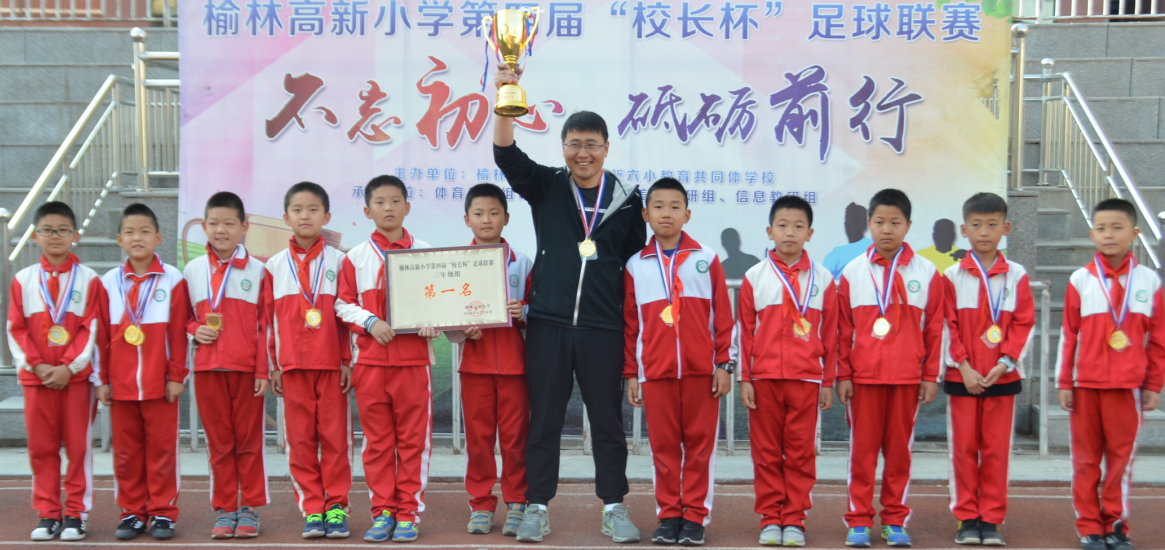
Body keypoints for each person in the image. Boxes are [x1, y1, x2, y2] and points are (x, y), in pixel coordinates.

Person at [493, 65, 646, 544]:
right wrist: (505, 96)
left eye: (592, 144)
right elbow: (505, 154)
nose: (583, 152)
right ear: (563, 148)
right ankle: (536, 506)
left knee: (608, 423)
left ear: (606, 148)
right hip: (549, 325)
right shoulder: (546, 186)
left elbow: (632, 262)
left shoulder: (628, 199)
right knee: (543, 422)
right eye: (574, 144)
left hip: (603, 328)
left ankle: (614, 507)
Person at [623, 178, 733, 547]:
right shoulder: (635, 265)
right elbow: (630, 326)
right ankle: (669, 515)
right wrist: (632, 373)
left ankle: (695, 517)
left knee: (700, 448)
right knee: (664, 449)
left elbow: (723, 317)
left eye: (674, 206)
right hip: (655, 373)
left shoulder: (706, 259)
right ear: (646, 214)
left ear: (687, 214)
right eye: (658, 206)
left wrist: (724, 364)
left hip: (702, 373)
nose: (666, 213)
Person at [335, 175, 439, 543]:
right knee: (377, 443)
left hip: (413, 364)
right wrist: (370, 321)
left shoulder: (425, 252)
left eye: (395, 201)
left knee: (413, 443)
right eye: (380, 202)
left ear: (407, 207)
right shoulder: (355, 257)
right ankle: (382, 512)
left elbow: (441, 299)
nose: (388, 208)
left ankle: (408, 513)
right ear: (367, 211)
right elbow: (342, 303)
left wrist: (435, 321)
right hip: (370, 365)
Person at [836, 189, 942, 548]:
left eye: (895, 222)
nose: (886, 229)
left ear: (908, 226)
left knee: (899, 454)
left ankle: (895, 520)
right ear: (869, 224)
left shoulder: (926, 272)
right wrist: (843, 374)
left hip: (907, 379)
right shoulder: (853, 272)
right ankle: (859, 521)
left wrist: (930, 375)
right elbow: (843, 330)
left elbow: (935, 329)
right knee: (862, 454)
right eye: (879, 221)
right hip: (863, 379)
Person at [1056, 198, 1163, 550]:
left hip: (1128, 387)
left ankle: (1115, 526)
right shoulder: (1080, 280)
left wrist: (1154, 384)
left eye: (1118, 228)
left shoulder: (1149, 281)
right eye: (1101, 228)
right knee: (1086, 460)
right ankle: (1089, 526)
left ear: (1135, 233)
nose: (1109, 235)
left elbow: (1158, 339)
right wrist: (1064, 381)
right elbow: (1068, 335)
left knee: (1121, 461)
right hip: (1085, 386)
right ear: (1091, 235)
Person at [736, 195, 837, 547]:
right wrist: (744, 378)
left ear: (810, 233)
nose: (790, 232)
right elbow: (744, 332)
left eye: (798, 226)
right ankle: (770, 518)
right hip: (763, 380)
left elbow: (832, 335)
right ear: (770, 231)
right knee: (766, 453)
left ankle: (793, 518)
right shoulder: (754, 277)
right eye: (782, 225)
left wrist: (828, 381)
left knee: (800, 453)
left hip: (807, 380)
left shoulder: (823, 278)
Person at [942, 193, 1035, 546]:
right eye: (977, 225)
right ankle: (967, 518)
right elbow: (946, 325)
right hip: (962, 377)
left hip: (1002, 377)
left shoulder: (1017, 275)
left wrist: (1005, 362)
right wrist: (963, 366)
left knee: (996, 452)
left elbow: (1024, 323)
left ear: (1006, 228)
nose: (984, 232)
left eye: (992, 224)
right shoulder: (951, 275)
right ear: (964, 229)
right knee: (963, 451)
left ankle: (992, 519)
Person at [261, 182, 353, 539]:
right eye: (297, 210)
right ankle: (312, 507)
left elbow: (346, 316)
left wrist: (347, 361)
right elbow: (268, 321)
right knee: (299, 441)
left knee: (335, 439)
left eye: (313, 209)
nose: (305, 215)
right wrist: (273, 366)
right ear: (285, 217)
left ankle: (336, 506)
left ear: (326, 217)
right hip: (292, 367)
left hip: (331, 366)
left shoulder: (340, 261)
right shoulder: (273, 266)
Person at [8, 202, 103, 542]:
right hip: (36, 379)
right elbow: (15, 329)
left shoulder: (89, 279)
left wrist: (68, 367)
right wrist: (38, 365)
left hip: (74, 380)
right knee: (42, 448)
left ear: (75, 235)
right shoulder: (23, 280)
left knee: (78, 448)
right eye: (47, 230)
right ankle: (48, 513)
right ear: (35, 236)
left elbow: (91, 328)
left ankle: (76, 513)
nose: (55, 236)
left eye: (63, 230)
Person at [96, 203, 190, 541]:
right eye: (130, 232)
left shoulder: (173, 279)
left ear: (158, 238)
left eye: (145, 231)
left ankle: (163, 512)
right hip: (120, 386)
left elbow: (178, 333)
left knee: (163, 452)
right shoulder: (108, 282)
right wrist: (101, 380)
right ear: (119, 239)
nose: (138, 238)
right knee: (125, 454)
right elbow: (100, 336)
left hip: (159, 385)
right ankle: (132, 512)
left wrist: (176, 376)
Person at [444, 183, 534, 537]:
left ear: (506, 218)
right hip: (475, 366)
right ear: (466, 219)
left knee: (515, 440)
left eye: (494, 213)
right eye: (478, 213)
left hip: (515, 367)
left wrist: (524, 311)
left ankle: (517, 502)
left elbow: (537, 309)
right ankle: (481, 504)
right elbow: (446, 314)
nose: (486, 219)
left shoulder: (522, 262)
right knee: (479, 440)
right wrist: (461, 329)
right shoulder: (455, 264)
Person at [182, 191, 269, 539]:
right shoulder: (192, 270)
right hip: (207, 371)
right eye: (214, 223)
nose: (221, 230)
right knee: (219, 443)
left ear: (243, 227)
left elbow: (265, 326)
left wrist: (262, 370)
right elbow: (183, 317)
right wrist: (194, 330)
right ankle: (225, 507)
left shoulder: (258, 270)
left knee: (249, 443)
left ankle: (249, 507)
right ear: (204, 226)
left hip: (246, 371)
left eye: (229, 223)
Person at [823, 202, 874, 280]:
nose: (852, 226)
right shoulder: (835, 254)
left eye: (856, 222)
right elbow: (821, 280)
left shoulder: (875, 246)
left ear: (864, 224)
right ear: (845, 224)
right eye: (849, 222)